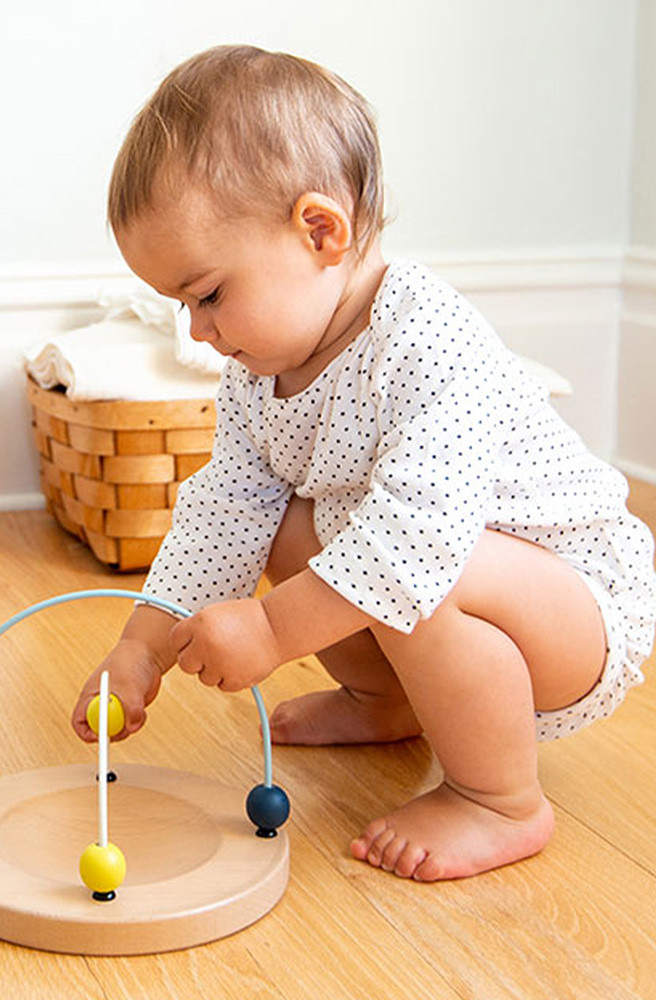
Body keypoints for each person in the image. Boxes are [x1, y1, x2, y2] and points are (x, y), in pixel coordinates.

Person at [70, 44, 656, 881]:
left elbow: (419, 543)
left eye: (207, 294)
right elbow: (223, 513)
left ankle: (500, 798)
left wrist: (272, 630)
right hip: (446, 580)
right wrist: (142, 645)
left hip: (576, 608)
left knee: (421, 561)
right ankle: (389, 702)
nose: (197, 330)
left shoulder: (424, 338)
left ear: (320, 231)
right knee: (283, 522)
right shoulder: (256, 375)